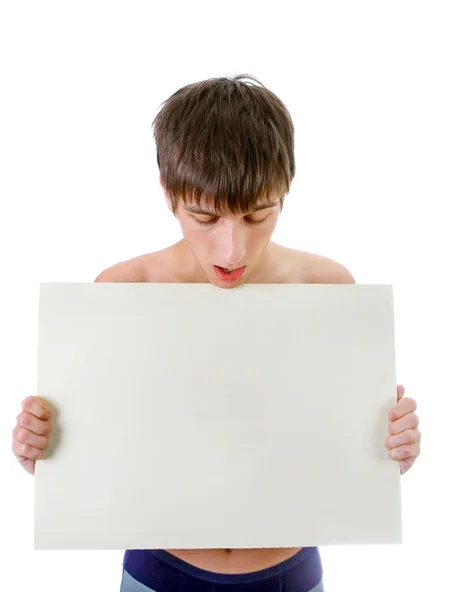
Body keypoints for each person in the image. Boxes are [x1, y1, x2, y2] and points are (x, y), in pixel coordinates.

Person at [12, 74, 421, 592]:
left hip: (291, 571)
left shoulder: (329, 288)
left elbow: (339, 458)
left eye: (258, 215)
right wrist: (43, 454)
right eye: (204, 217)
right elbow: (98, 465)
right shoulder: (121, 290)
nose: (232, 252)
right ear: (168, 195)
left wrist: (390, 451)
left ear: (286, 192)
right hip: (160, 571)